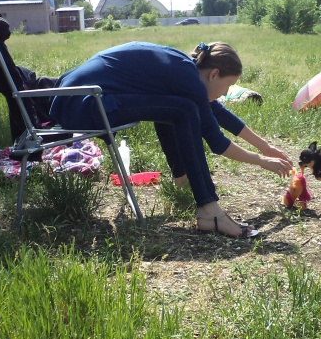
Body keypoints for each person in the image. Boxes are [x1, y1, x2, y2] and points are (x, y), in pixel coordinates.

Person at [49, 41, 293, 238]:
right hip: (82, 102)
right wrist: (261, 160)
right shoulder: (186, 76)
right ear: (214, 74)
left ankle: (183, 181)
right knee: (183, 110)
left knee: (175, 108)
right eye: (228, 85)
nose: (227, 93)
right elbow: (217, 142)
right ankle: (209, 209)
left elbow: (217, 112)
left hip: (77, 98)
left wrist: (266, 147)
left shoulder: (185, 70)